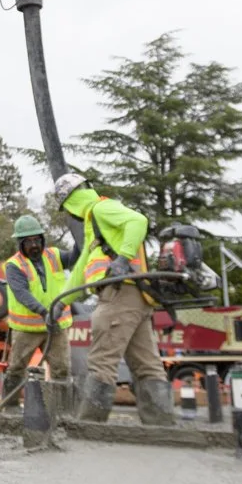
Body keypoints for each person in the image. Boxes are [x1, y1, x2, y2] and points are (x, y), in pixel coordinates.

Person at [52, 172, 175, 426]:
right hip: (136, 298)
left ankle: (89, 425)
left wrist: (122, 258)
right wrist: (61, 302)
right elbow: (79, 272)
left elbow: (138, 221)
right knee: (147, 365)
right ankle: (161, 426)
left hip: (119, 295)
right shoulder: (94, 227)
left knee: (101, 362)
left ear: (71, 202)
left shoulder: (101, 209)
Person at [0, 214, 76, 415]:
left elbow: (77, 255)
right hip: (27, 329)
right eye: (28, 242)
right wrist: (44, 312)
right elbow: (21, 293)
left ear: (42, 239)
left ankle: (62, 411)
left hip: (56, 327)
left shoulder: (54, 255)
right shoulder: (14, 266)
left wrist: (82, 235)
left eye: (37, 240)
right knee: (16, 368)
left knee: (61, 369)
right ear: (20, 243)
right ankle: (10, 406)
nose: (34, 245)